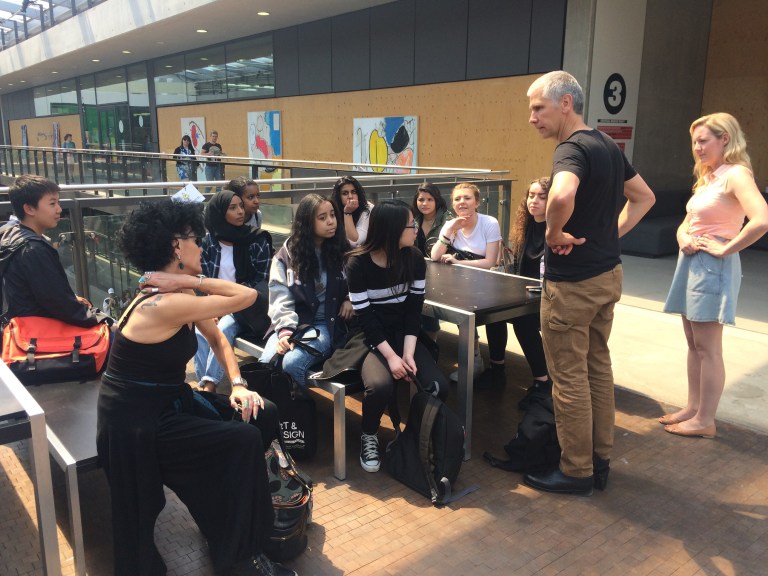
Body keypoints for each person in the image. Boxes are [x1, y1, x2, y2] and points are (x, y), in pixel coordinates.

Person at [96, 198, 296, 576]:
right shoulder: (161, 303)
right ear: (176, 246)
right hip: (138, 425)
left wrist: (238, 384)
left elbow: (218, 337)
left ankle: (230, 524)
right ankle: (241, 558)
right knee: (243, 440)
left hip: (167, 404)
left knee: (261, 413)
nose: (202, 247)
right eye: (195, 240)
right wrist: (190, 281)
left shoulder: (178, 297)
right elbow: (247, 296)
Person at [522, 70, 655, 496]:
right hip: (607, 276)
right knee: (597, 367)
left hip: (574, 285)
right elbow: (644, 197)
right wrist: (609, 235)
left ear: (566, 103)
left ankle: (576, 470)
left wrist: (552, 233)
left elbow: (561, 195)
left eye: (538, 108)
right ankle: (599, 459)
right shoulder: (607, 145)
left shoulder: (571, 148)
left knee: (568, 378)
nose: (532, 117)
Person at [660, 113, 768, 438]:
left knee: (709, 348)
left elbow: (761, 219)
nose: (697, 147)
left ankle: (705, 420)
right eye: (695, 142)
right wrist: (682, 236)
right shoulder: (709, 177)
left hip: (712, 266)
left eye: (704, 141)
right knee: (694, 344)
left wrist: (726, 248)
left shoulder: (736, 175)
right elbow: (689, 220)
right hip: (692, 262)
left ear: (725, 139)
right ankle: (694, 408)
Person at [323, 199, 448, 473]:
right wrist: (392, 358)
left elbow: (414, 311)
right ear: (392, 230)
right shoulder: (357, 264)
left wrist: (408, 354)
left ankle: (417, 436)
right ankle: (369, 433)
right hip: (370, 337)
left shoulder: (415, 258)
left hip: (404, 334)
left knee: (438, 385)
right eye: (411, 225)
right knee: (380, 386)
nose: (416, 229)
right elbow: (366, 318)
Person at [259, 193, 353, 388]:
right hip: (293, 322)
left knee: (292, 363)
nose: (331, 222)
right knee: (267, 362)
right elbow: (280, 296)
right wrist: (285, 332)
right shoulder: (287, 255)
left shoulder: (344, 250)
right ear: (307, 222)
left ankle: (298, 407)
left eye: (332, 215)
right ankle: (277, 407)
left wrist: (349, 298)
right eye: (322, 217)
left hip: (327, 324)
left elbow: (361, 280)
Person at [475, 178, 553, 397]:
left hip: (550, 295)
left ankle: (542, 382)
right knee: (494, 310)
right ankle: (497, 369)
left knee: (523, 321)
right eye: (531, 196)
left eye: (542, 197)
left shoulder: (557, 229)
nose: (534, 201)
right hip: (524, 291)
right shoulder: (525, 226)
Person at [0, 175, 111, 330]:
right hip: (41, 330)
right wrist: (105, 321)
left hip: (20, 325)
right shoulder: (33, 250)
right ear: (29, 208)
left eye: (58, 202)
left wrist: (72, 299)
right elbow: (63, 307)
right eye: (52, 203)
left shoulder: (10, 233)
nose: (59, 209)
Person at [195, 190, 273, 393]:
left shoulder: (257, 240)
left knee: (223, 328)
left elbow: (262, 280)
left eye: (240, 206)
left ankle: (209, 387)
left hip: (246, 306)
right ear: (219, 213)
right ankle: (204, 385)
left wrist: (226, 305)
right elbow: (201, 280)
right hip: (215, 304)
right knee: (198, 331)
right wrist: (211, 307)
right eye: (233, 208)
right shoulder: (208, 243)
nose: (240, 211)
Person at [430, 182, 503, 381]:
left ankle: (476, 361)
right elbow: (435, 256)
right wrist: (449, 230)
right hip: (458, 283)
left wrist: (458, 262)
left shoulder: (489, 223)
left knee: (473, 318)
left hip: (485, 284)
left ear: (477, 202)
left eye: (467, 198)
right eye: (457, 199)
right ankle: (474, 359)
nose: (462, 202)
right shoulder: (450, 224)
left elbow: (489, 262)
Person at [411, 182, 452, 339]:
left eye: (430, 199)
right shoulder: (413, 220)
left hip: (445, 271)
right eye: (421, 199)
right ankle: (429, 344)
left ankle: (474, 349)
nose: (425, 203)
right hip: (420, 270)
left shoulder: (448, 220)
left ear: (437, 200)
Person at [331, 175, 373, 246]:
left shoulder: (368, 209)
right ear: (339, 197)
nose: (350, 196)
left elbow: (355, 242)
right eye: (345, 193)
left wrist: (347, 213)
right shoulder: (333, 209)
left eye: (353, 192)